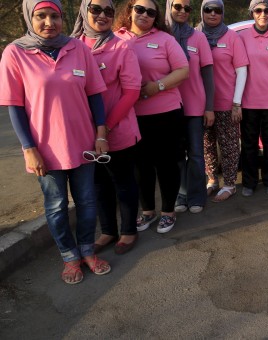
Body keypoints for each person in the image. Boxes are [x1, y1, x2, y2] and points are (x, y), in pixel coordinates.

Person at [0, 0, 111, 284]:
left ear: (63, 18)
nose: (49, 22)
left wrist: (100, 134)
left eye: (54, 16)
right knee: (56, 205)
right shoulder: (15, 53)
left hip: (84, 145)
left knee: (86, 202)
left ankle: (87, 250)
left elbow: (95, 95)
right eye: (41, 16)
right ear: (29, 17)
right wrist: (28, 149)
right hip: (45, 150)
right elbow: (15, 106)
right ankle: (69, 257)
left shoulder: (79, 49)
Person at [72, 0, 142, 255]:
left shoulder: (122, 47)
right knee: (99, 183)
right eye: (95, 9)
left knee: (123, 182)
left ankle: (128, 231)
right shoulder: (73, 45)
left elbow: (132, 92)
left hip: (118, 128)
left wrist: (106, 127)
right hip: (84, 132)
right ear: (84, 11)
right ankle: (108, 230)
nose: (102, 15)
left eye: (108, 11)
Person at [114, 0, 189, 233]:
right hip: (132, 115)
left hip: (165, 113)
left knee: (166, 164)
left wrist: (157, 86)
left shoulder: (165, 40)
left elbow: (183, 70)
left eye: (150, 12)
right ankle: (147, 211)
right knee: (140, 166)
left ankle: (168, 211)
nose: (144, 15)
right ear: (130, 11)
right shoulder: (117, 38)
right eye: (139, 9)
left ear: (156, 17)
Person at [165, 0, 214, 214]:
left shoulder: (198, 37)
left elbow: (208, 75)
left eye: (187, 8)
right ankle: (181, 194)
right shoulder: (162, 36)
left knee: (195, 154)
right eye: (178, 6)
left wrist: (209, 107)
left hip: (194, 106)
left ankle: (196, 195)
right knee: (175, 155)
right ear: (169, 7)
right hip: (170, 107)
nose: (183, 11)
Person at [198, 0, 249, 202]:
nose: (212, 14)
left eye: (217, 10)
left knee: (228, 145)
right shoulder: (195, 35)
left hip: (226, 102)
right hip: (201, 103)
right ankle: (212, 180)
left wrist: (237, 103)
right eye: (208, 10)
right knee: (206, 145)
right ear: (202, 12)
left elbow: (242, 70)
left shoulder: (231, 37)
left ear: (223, 13)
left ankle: (229, 184)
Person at [238, 0, 268, 197]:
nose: (263, 14)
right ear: (252, 13)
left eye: (267, 10)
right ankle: (249, 183)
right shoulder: (241, 37)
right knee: (249, 144)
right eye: (258, 10)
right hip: (249, 100)